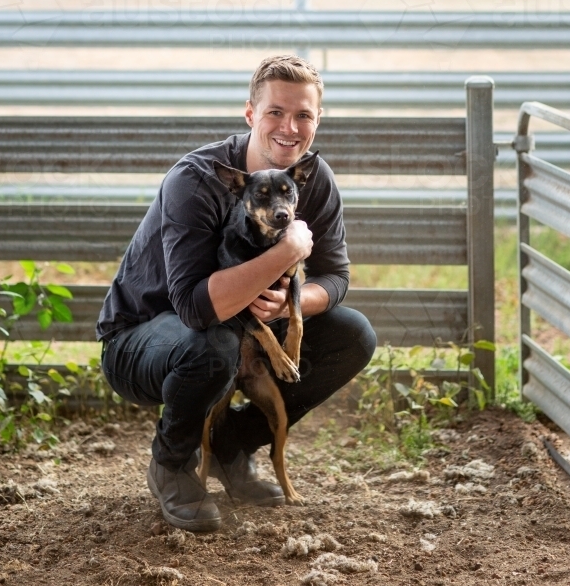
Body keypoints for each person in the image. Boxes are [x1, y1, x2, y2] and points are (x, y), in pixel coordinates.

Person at [97, 54, 377, 532]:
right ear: (250, 114)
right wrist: (286, 251)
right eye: (275, 112)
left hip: (235, 328)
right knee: (212, 343)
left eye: (303, 115)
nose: (289, 127)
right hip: (141, 340)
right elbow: (193, 307)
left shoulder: (313, 178)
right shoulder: (197, 180)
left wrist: (288, 303)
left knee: (354, 333)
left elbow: (335, 278)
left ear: (318, 120)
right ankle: (172, 464)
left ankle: (233, 446)